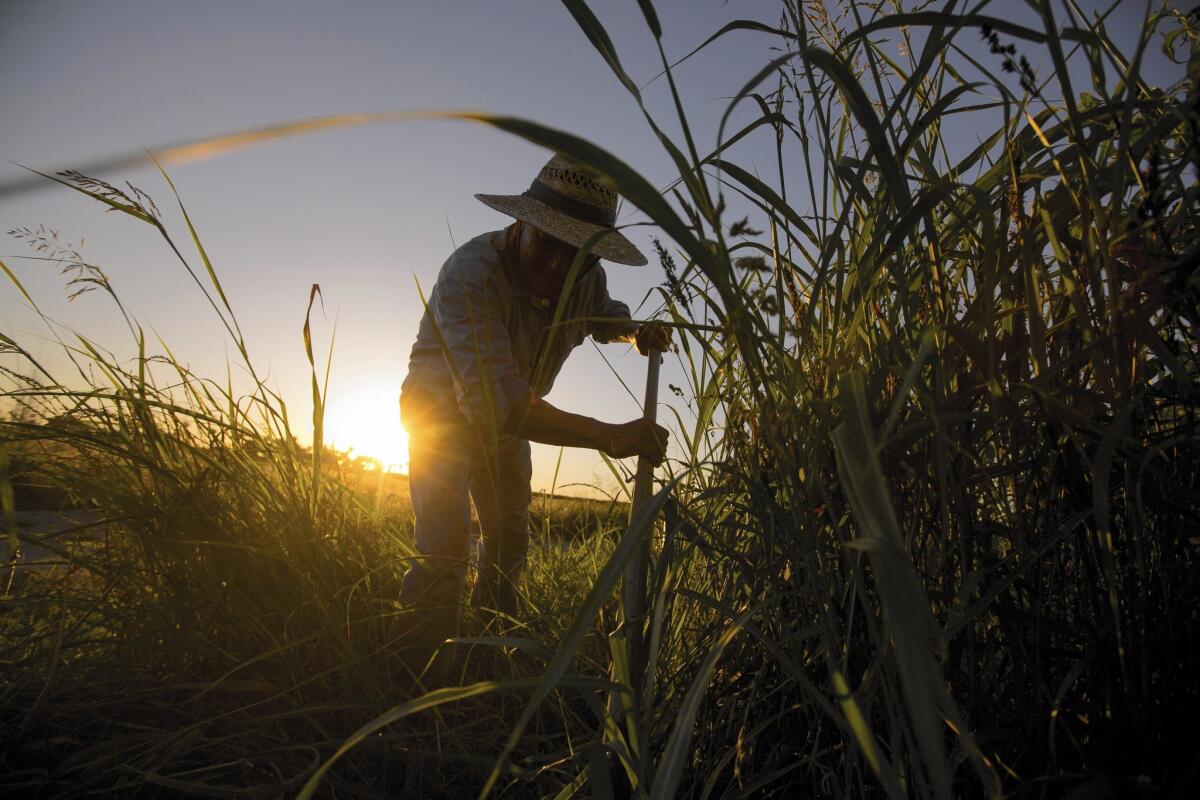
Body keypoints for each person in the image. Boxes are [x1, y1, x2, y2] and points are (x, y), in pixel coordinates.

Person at [397, 153, 671, 655]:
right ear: (521, 223)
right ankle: (419, 674)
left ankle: (486, 653)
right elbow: (500, 403)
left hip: (509, 422)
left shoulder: (583, 276)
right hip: (440, 419)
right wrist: (610, 436)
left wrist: (635, 331)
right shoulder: (470, 275)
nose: (560, 265)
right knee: (447, 548)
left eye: (580, 253)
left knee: (509, 540)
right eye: (550, 241)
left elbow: (601, 315)